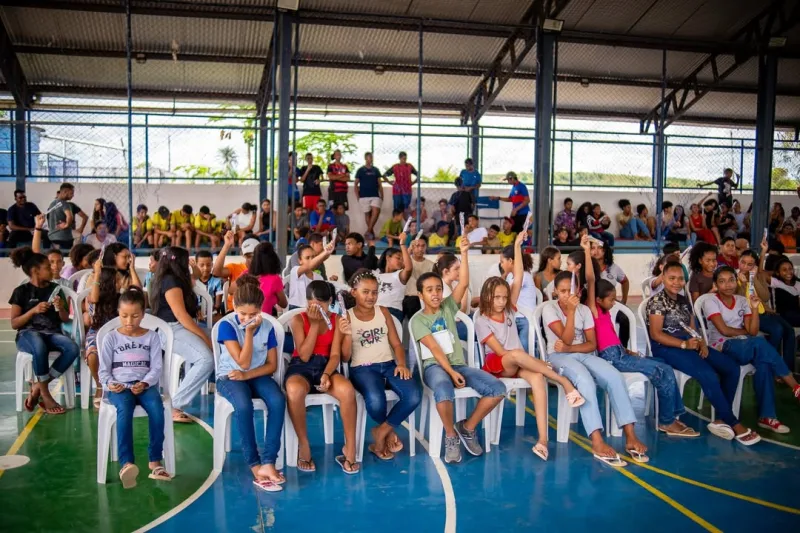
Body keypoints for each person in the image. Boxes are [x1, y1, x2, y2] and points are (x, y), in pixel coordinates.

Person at [476, 233, 585, 461]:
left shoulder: (508, 310)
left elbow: (517, 277)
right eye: (496, 298)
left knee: (537, 378)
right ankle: (563, 381)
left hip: (519, 362)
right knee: (517, 353)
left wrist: (518, 245)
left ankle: (543, 441)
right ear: (487, 297)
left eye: (504, 297)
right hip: (498, 364)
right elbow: (501, 353)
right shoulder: (482, 320)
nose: (501, 301)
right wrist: (534, 361)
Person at [411, 238, 506, 464]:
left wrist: (463, 252)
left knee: (498, 389)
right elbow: (435, 349)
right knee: (444, 389)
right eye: (429, 290)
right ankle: (450, 436)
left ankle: (467, 427)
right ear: (420, 295)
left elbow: (463, 283)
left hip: (459, 365)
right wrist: (452, 373)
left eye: (438, 289)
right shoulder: (418, 321)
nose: (435, 294)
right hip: (435, 367)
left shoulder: (447, 307)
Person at [586, 250, 698, 440]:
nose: (614, 303)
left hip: (620, 353)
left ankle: (672, 415)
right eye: (611, 299)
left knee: (664, 364)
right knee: (661, 370)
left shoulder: (605, 312)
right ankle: (666, 421)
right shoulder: (594, 310)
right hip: (612, 358)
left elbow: (610, 337)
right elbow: (590, 280)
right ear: (597, 300)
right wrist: (587, 252)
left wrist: (626, 350)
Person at [645, 261, 760, 445]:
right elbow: (656, 334)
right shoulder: (657, 301)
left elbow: (692, 326)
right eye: (672, 278)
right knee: (707, 374)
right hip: (667, 348)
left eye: (680, 279)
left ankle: (722, 419)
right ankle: (733, 422)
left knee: (731, 368)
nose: (676, 282)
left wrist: (701, 341)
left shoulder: (683, 299)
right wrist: (684, 344)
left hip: (689, 343)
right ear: (663, 278)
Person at [542, 262, 643, 466]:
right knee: (585, 380)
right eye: (562, 291)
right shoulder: (549, 309)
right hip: (558, 357)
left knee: (614, 376)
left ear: (578, 291)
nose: (567, 295)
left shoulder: (585, 310)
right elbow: (566, 338)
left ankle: (630, 435)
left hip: (579, 353)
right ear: (555, 292)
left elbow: (591, 344)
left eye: (570, 291)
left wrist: (570, 347)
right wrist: (571, 313)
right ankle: (597, 441)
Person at [334, 270, 421, 460]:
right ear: (354, 292)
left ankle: (380, 432)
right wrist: (347, 335)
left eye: (374, 292)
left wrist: (401, 364)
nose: (371, 296)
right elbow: (345, 358)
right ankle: (388, 433)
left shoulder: (383, 312)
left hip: (389, 365)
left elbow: (397, 344)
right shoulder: (346, 317)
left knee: (413, 395)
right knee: (375, 400)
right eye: (365, 292)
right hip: (362, 368)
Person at [703, 266, 800, 433]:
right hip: (722, 346)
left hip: (744, 346)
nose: (728, 285)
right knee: (759, 343)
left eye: (731, 280)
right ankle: (795, 386)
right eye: (722, 281)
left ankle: (767, 417)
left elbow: (753, 330)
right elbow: (724, 331)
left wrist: (754, 308)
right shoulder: (710, 301)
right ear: (716, 285)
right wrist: (745, 332)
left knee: (764, 363)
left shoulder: (742, 300)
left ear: (736, 281)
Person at [215, 275, 286, 490]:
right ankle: (254, 464)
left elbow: (271, 365)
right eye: (243, 314)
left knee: (277, 400)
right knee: (244, 406)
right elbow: (243, 362)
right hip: (229, 377)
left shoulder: (268, 327)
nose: (247, 318)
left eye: (253, 314)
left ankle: (269, 461)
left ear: (261, 309)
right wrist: (248, 332)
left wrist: (247, 375)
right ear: (234, 307)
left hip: (256, 375)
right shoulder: (226, 326)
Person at [99, 287, 171, 488]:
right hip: (119, 387)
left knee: (157, 409)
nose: (129, 321)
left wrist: (145, 383)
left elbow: (156, 367)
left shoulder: (152, 337)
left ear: (143, 313)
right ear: (118, 313)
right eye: (124, 316)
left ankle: (155, 461)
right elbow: (103, 371)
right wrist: (111, 384)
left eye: (135, 316)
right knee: (124, 410)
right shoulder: (111, 338)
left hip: (145, 385)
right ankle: (127, 464)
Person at [285, 281, 360, 473]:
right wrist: (315, 324)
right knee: (294, 390)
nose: (318, 310)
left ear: (330, 302)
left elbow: (335, 355)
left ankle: (350, 449)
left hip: (326, 365)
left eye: (322, 305)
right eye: (313, 305)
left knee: (347, 390)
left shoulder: (336, 320)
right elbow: (304, 355)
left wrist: (326, 374)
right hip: (301, 366)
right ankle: (304, 444)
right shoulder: (298, 320)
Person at [9, 246, 79, 414]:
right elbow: (15, 323)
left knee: (72, 348)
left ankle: (38, 387)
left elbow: (64, 318)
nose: (52, 269)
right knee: (39, 346)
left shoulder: (56, 289)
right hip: (27, 334)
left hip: (52, 333)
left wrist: (60, 308)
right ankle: (46, 395)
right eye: (47, 267)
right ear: (35, 271)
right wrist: (33, 311)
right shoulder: (21, 291)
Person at [150, 246, 214, 423]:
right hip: (172, 330)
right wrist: (205, 338)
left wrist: (193, 267)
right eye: (186, 261)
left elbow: (196, 276)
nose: (188, 264)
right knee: (206, 359)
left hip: (180, 327)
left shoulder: (175, 278)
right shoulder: (170, 282)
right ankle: (174, 405)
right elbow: (182, 316)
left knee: (222, 340)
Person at [85, 242, 141, 407]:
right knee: (93, 353)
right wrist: (97, 273)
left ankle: (125, 383)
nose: (120, 283)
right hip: (99, 328)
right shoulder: (97, 287)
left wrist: (132, 268)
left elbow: (137, 293)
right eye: (125, 257)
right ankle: (100, 385)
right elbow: (94, 299)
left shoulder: (122, 290)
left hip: (119, 330)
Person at [498, 240, 537, 352]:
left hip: (525, 319)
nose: (501, 265)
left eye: (502, 262)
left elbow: (505, 292)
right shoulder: (510, 276)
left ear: (510, 261)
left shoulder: (524, 275)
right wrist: (504, 275)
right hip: (514, 318)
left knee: (523, 345)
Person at [212, 232, 258, 311]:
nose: (252, 259)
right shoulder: (234, 267)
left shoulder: (266, 271)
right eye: (249, 255)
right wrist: (226, 245)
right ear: (242, 253)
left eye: (254, 255)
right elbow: (216, 272)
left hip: (256, 310)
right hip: (233, 310)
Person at [375, 234, 413, 323]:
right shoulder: (376, 275)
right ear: (388, 258)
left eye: (402, 259)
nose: (401, 261)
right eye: (398, 258)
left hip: (393, 311)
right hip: (375, 310)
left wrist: (402, 244)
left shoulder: (399, 275)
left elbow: (408, 268)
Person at [287, 242, 335, 310]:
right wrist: (325, 252)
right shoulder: (295, 270)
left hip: (313, 309)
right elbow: (310, 265)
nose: (311, 260)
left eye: (313, 257)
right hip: (295, 309)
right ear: (300, 261)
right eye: (307, 258)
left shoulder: (319, 277)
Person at [244, 242, 287, 315]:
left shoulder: (245, 274)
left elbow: (230, 290)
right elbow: (284, 304)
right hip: (264, 319)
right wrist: (273, 298)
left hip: (244, 317)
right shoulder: (275, 279)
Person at [403, 235, 434, 319]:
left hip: (423, 299)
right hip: (405, 297)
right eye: (417, 246)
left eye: (423, 246)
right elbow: (402, 266)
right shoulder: (405, 261)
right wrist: (408, 250)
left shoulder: (431, 265)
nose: (420, 249)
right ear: (412, 246)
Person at [354, 151, 383, 239]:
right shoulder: (360, 170)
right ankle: (371, 233)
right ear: (365, 158)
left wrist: (382, 195)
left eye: (372, 157)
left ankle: (368, 231)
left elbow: (380, 184)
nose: (371, 159)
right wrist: (358, 197)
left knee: (376, 211)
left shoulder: (376, 170)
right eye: (370, 157)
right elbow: (355, 184)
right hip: (363, 196)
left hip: (375, 195)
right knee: (367, 214)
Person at [46, 183, 78, 250]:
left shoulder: (52, 204)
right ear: (65, 192)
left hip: (52, 237)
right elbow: (70, 216)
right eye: (71, 193)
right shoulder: (64, 203)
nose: (73, 195)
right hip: (64, 238)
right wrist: (66, 225)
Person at [771, 256, 800, 328]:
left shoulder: (798, 283)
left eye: (790, 269)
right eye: (784, 270)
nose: (788, 272)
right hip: (782, 316)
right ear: (778, 273)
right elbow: (761, 273)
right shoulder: (776, 282)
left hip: (796, 313)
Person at [194, 250, 223, 321]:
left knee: (220, 320)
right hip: (195, 312)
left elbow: (217, 305)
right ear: (196, 265)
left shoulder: (217, 281)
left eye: (208, 265)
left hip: (212, 312)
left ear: (212, 265)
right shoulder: (193, 281)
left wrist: (210, 311)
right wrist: (197, 311)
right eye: (202, 265)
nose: (205, 268)